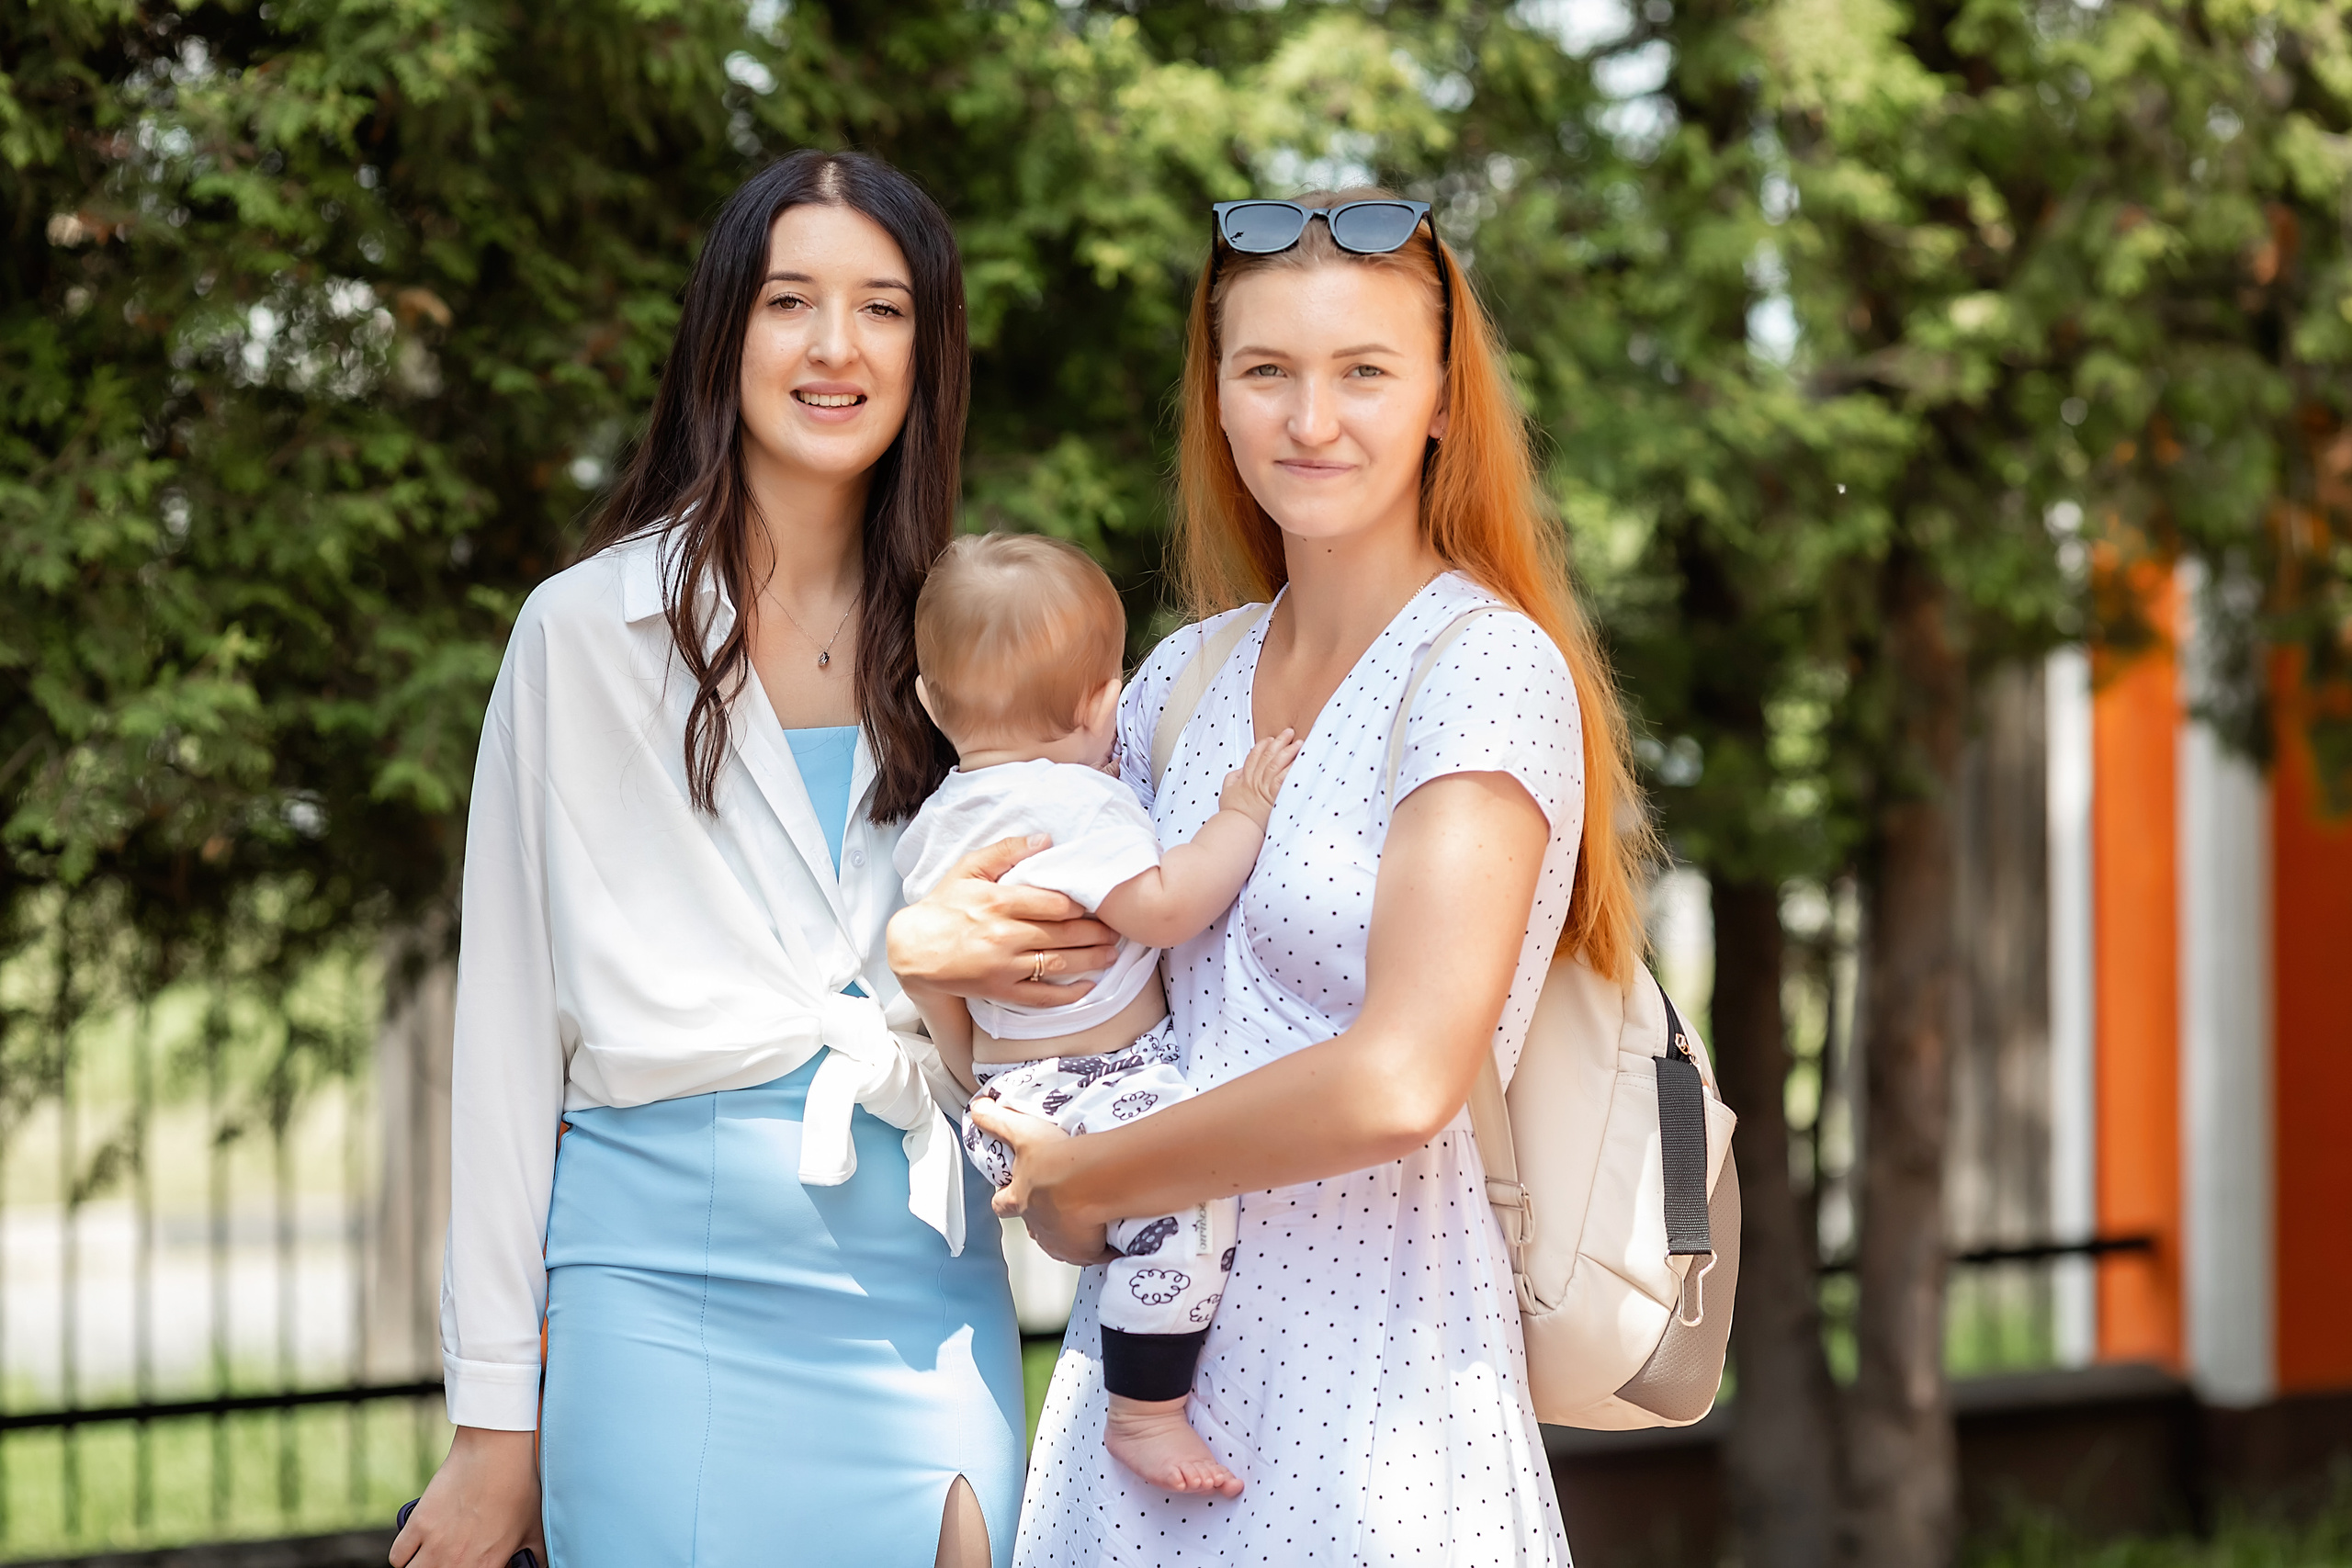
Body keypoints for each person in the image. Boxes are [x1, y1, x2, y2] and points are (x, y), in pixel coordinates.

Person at [393, 150, 1118, 1568]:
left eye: (883, 308)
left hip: (925, 1272)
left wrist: (952, 981)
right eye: (792, 300)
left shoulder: (995, 635)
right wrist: (495, 1424)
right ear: (728, 330)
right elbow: (504, 1049)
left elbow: (1078, 1001)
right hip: (654, 1293)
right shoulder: (582, 633)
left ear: (931, 350)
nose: (835, 347)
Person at [929, 189, 1654, 1563]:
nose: (1312, 420)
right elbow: (1052, 982)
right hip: (1139, 1415)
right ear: (1216, 394)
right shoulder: (1173, 684)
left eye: (1365, 371)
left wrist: (1096, 1167)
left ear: (1444, 398)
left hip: (1383, 1419)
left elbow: (1400, 1079)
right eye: (1267, 370)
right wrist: (931, 945)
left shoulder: (1482, 672)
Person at [895, 532, 1300, 1499]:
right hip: (1099, 1093)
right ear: (1099, 703)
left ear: (926, 700)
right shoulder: (1084, 803)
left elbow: (947, 1000)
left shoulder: (935, 822)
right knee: (1193, 1208)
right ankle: (1144, 1409)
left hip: (1005, 1101)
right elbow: (1165, 907)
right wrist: (1241, 814)